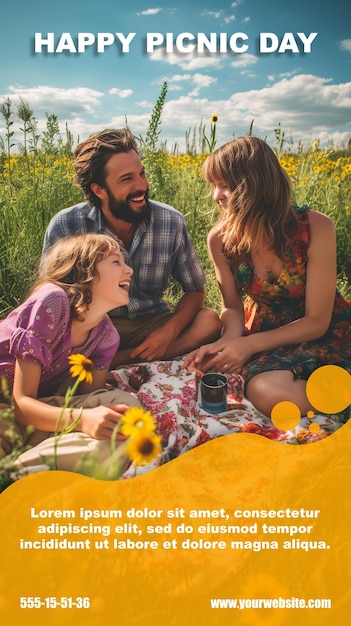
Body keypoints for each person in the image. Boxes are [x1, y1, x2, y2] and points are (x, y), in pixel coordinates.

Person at [185, 136, 351, 416]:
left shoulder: (316, 227)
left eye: (225, 185)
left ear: (254, 185)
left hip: (326, 330)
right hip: (264, 332)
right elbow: (232, 308)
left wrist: (247, 345)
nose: (216, 196)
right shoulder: (220, 240)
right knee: (264, 390)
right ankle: (334, 395)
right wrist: (224, 345)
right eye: (214, 186)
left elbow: (317, 321)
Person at [42, 129, 221, 367]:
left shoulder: (171, 221)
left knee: (209, 320)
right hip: (93, 326)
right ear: (99, 190)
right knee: (53, 347)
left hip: (150, 323)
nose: (142, 185)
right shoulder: (67, 225)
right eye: (127, 179)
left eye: (142, 173)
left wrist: (169, 331)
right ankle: (132, 357)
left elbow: (195, 290)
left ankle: (119, 360)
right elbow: (50, 301)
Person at [0, 233, 141, 470]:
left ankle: (23, 467)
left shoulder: (107, 336)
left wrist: (92, 419)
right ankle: (18, 475)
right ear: (84, 272)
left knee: (126, 408)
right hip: (12, 409)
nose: (129, 271)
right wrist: (82, 420)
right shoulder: (52, 302)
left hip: (39, 413)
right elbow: (22, 403)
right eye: (116, 262)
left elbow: (86, 400)